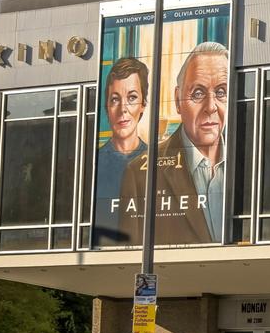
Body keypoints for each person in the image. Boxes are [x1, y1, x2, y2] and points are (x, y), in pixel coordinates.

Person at [118, 41, 229, 246]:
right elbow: (127, 257)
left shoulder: (250, 164)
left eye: (221, 92)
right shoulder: (140, 172)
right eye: (198, 93)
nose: (211, 107)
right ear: (177, 100)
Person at [92, 56, 150, 246]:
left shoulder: (159, 162)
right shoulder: (93, 164)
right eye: (115, 99)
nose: (123, 109)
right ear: (107, 108)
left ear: (143, 105)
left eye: (132, 97)